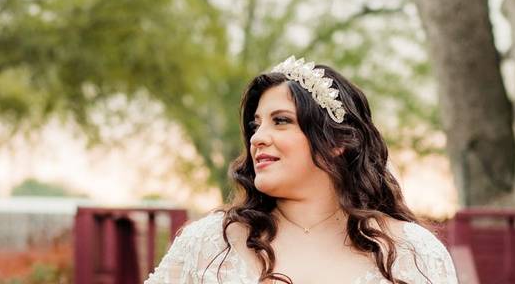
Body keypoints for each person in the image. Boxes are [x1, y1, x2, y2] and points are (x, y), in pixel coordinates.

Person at [145, 56, 458, 284]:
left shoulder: (413, 252)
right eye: (256, 125)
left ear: (337, 141)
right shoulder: (209, 243)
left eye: (281, 121)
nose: (258, 138)